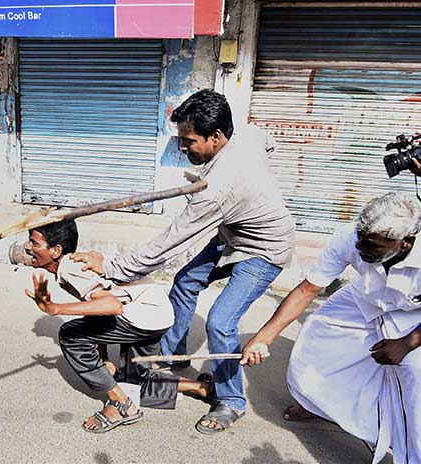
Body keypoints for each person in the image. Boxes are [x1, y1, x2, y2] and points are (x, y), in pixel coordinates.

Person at [72, 89, 296, 434]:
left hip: (265, 248)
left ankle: (231, 401)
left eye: (189, 141)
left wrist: (111, 267)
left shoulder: (218, 189)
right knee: (185, 282)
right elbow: (269, 144)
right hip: (230, 237)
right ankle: (169, 357)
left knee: (221, 321)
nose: (181, 148)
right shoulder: (248, 135)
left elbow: (169, 244)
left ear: (217, 136)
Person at [241, 192, 421, 464]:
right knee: (318, 333)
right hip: (365, 297)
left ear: (404, 243)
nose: (359, 246)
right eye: (359, 236)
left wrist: (407, 343)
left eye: (370, 244)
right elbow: (307, 290)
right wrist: (264, 338)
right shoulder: (352, 237)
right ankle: (321, 405)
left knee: (412, 375)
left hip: (413, 316)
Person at [25, 220, 214, 433]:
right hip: (158, 314)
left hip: (142, 315)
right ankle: (203, 388)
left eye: (34, 243)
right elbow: (93, 309)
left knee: (70, 336)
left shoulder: (69, 268)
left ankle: (122, 406)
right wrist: (104, 357)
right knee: (132, 382)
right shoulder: (70, 265)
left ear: (55, 250)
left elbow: (110, 306)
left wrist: (55, 309)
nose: (27, 247)